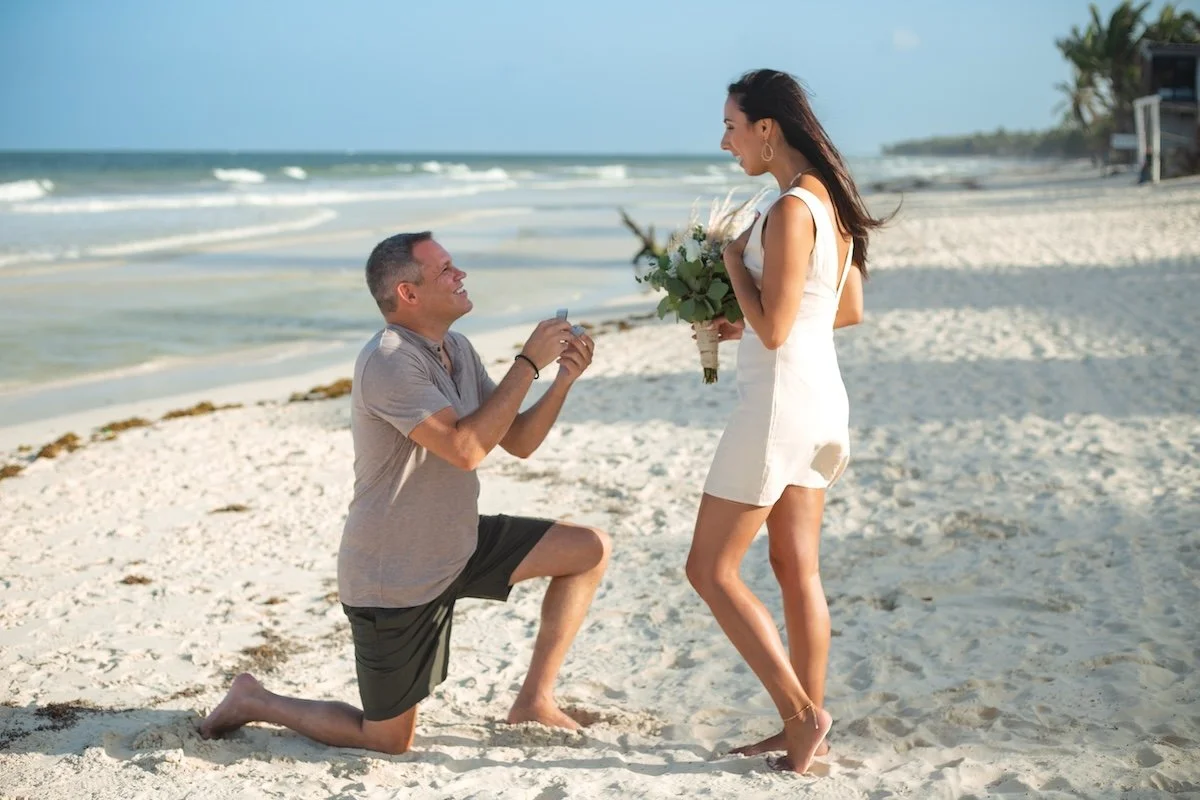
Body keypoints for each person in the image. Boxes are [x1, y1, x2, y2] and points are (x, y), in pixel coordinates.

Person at [200, 231, 611, 755]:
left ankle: (534, 700)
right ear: (408, 294)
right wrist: (527, 363)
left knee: (588, 549)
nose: (459, 274)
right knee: (389, 740)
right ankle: (255, 699)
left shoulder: (456, 347)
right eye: (444, 270)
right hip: (393, 574)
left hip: (457, 542)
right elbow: (465, 450)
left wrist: (562, 380)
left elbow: (519, 441)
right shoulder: (389, 360)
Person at [685, 69, 888, 774]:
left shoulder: (788, 211)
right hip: (822, 402)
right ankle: (809, 731)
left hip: (779, 405)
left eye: (732, 126)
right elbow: (841, 307)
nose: (724, 141)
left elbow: (774, 330)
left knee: (709, 567)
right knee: (795, 568)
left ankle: (803, 717)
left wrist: (733, 262)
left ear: (766, 129)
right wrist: (753, 316)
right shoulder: (827, 205)